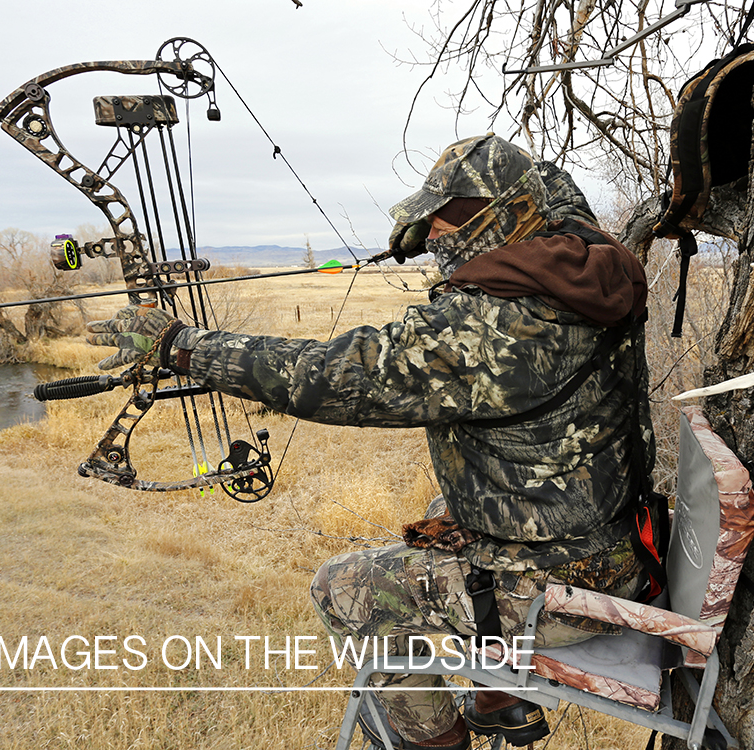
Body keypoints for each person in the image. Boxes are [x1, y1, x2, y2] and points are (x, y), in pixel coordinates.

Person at [87, 134, 657, 750]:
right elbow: (549, 190)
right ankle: (500, 696)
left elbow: (338, 376)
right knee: (443, 516)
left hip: (562, 588)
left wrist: (182, 347)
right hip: (617, 543)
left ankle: (437, 742)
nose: (435, 237)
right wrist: (429, 228)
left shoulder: (493, 323)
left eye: (445, 221)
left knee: (343, 587)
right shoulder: (586, 264)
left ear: (491, 218)